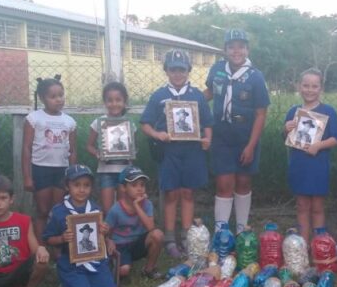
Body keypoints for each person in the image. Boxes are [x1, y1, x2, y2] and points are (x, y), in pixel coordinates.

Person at [140, 49, 213, 257]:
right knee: (171, 193)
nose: (178, 74)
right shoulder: (160, 95)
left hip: (192, 151)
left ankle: (187, 235)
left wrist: (208, 139)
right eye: (173, 70)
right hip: (169, 152)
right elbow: (145, 123)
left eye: (181, 70)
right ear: (166, 71)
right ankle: (170, 238)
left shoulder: (197, 95)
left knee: (188, 192)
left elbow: (207, 122)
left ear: (188, 71)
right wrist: (157, 134)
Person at [205, 29, 271, 233]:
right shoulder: (217, 69)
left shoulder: (256, 76)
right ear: (225, 50)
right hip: (221, 137)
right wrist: (188, 103)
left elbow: (261, 114)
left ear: (247, 49)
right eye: (231, 46)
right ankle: (220, 232)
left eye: (240, 46)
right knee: (224, 183)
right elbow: (208, 92)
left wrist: (251, 146)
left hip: (246, 138)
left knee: (243, 182)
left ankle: (242, 230)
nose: (236, 51)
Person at [42, 165, 117, 287]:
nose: (82, 190)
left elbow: (101, 238)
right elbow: (48, 239)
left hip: (95, 261)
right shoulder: (58, 212)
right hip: (71, 264)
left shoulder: (95, 209)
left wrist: (105, 232)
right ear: (67, 186)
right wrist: (62, 239)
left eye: (86, 185)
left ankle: (86, 286)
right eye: (76, 185)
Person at [283, 68, 337, 244]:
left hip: (318, 166)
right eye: (306, 85)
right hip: (299, 165)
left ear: (320, 89)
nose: (309, 90)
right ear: (299, 87)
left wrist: (319, 145)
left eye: (314, 86)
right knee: (301, 206)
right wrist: (286, 128)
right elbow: (285, 137)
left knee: (317, 207)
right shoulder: (293, 111)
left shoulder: (328, 111)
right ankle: (303, 245)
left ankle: (319, 245)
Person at [23, 75, 77, 243]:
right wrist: (27, 176)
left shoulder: (69, 121)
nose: (58, 99)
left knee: (58, 211)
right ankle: (40, 247)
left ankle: (56, 247)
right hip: (41, 169)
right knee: (42, 211)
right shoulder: (34, 118)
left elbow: (73, 150)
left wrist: (72, 176)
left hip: (61, 170)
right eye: (53, 96)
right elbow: (26, 148)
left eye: (61, 95)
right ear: (42, 98)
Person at [106, 166, 165, 280]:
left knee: (158, 234)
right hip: (121, 246)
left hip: (138, 243)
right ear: (123, 188)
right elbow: (107, 231)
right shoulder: (116, 209)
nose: (139, 189)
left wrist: (137, 206)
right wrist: (109, 240)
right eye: (134, 185)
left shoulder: (147, 204)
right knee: (124, 271)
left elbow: (151, 228)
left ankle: (148, 269)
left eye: (142, 185)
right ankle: (115, 264)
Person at [87, 82, 136, 215]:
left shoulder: (129, 124)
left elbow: (132, 147)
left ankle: (122, 235)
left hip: (125, 171)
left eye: (118, 100)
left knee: (123, 207)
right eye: (110, 100)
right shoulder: (98, 122)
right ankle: (107, 234)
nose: (114, 104)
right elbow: (89, 146)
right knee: (107, 208)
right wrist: (97, 153)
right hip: (105, 171)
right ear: (105, 102)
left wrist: (132, 152)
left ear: (125, 101)